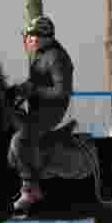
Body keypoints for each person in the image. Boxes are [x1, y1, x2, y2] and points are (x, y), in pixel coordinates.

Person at [8, 15, 74, 212]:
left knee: (20, 140)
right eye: (28, 36)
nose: (28, 40)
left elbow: (62, 91)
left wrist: (34, 90)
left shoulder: (55, 57)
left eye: (32, 36)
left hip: (51, 112)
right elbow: (34, 83)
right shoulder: (39, 54)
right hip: (37, 108)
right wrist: (16, 91)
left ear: (46, 37)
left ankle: (31, 188)